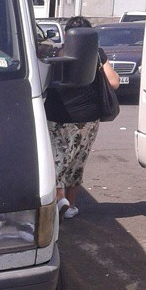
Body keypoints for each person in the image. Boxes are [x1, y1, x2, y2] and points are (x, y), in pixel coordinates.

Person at [44, 16, 120, 219]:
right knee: (77, 162)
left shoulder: (54, 52)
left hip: (56, 115)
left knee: (56, 159)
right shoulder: (96, 54)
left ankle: (56, 200)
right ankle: (70, 206)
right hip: (87, 119)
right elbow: (114, 82)